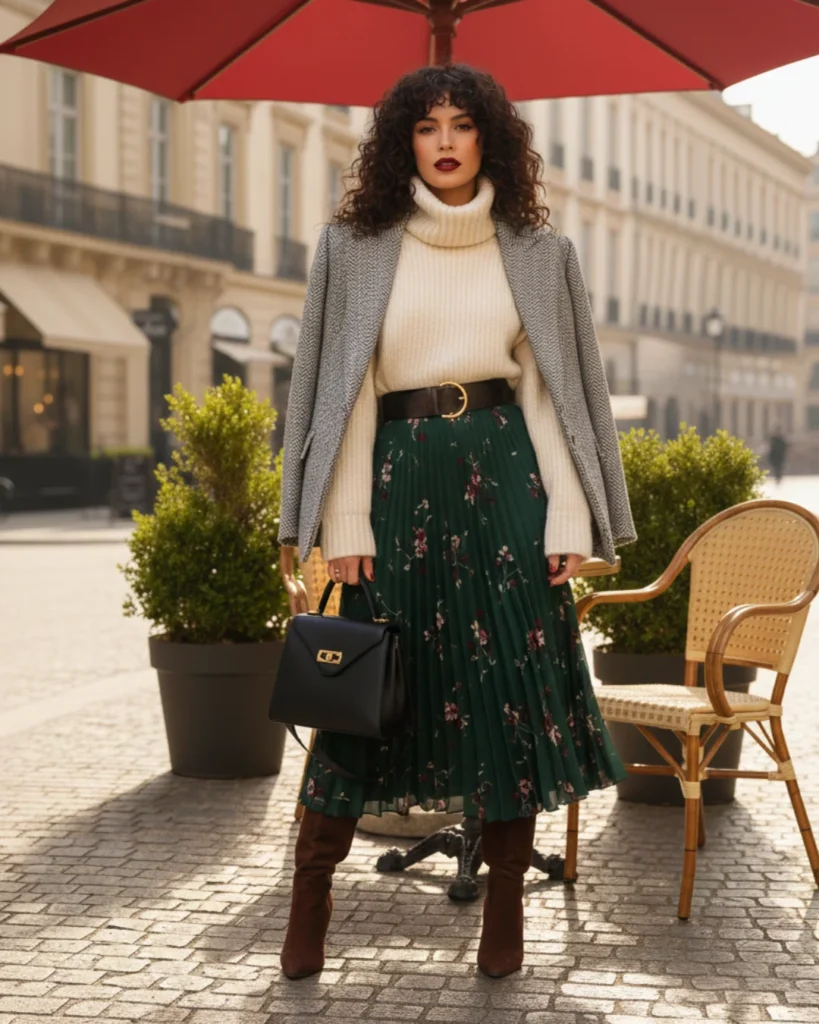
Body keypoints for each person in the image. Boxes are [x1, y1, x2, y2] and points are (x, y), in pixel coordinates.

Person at [277, 64, 636, 981]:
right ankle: (310, 897)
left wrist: (567, 515)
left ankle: (505, 910)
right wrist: (343, 517)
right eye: (426, 126)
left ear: (489, 140)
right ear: (403, 140)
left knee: (508, 698)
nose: (443, 141)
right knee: (362, 694)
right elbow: (342, 388)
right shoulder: (352, 247)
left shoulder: (539, 252)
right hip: (394, 488)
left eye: (461, 125)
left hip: (507, 482)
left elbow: (554, 397)